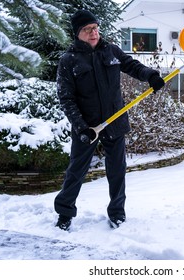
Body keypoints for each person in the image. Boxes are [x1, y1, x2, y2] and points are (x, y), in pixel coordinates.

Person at [54, 10, 165, 231]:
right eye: (88, 29)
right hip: (88, 126)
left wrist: (150, 75)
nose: (94, 32)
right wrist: (81, 127)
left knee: (117, 170)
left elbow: (132, 66)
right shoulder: (68, 60)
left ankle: (117, 213)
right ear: (78, 33)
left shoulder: (111, 51)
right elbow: (66, 98)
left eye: (95, 28)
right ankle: (65, 212)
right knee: (76, 170)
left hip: (114, 121)